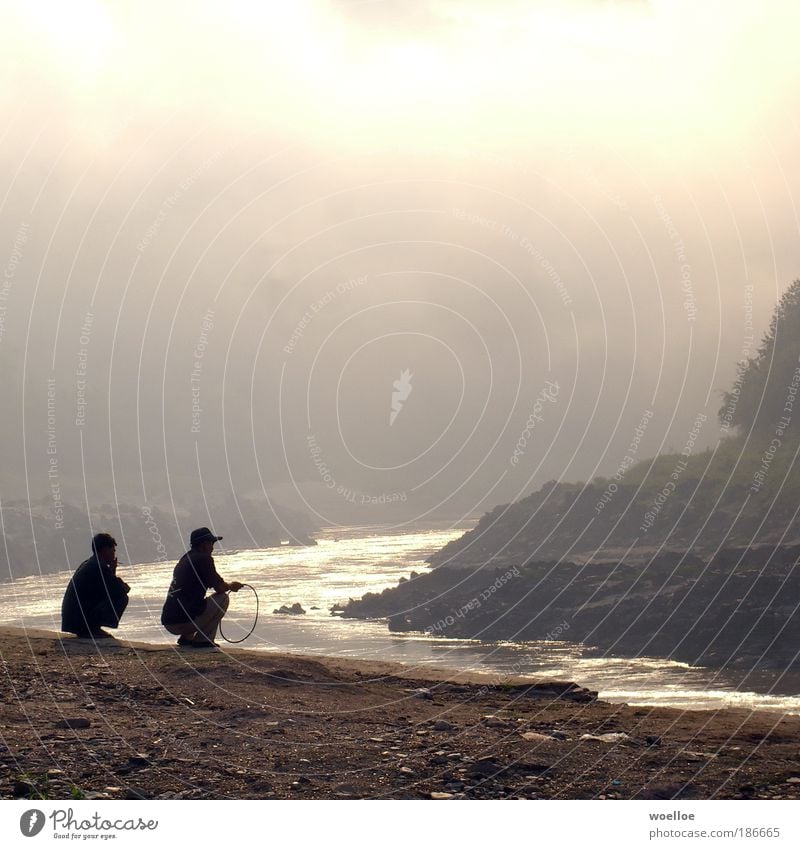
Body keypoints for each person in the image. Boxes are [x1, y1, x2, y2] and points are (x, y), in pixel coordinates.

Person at [160, 527, 242, 648]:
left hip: (169, 622)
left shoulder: (186, 558)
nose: (213, 548)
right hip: (183, 622)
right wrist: (232, 586)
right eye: (211, 543)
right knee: (222, 598)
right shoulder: (204, 559)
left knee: (193, 603)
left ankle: (186, 638)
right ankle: (203, 640)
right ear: (204, 544)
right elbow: (220, 587)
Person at [61, 533, 130, 639]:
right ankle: (92, 628)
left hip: (71, 621)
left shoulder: (89, 563)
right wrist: (112, 571)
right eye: (113, 550)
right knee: (122, 598)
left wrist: (111, 572)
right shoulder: (98, 568)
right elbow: (121, 590)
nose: (114, 554)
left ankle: (91, 627)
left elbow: (109, 587)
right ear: (105, 550)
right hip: (78, 621)